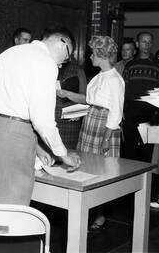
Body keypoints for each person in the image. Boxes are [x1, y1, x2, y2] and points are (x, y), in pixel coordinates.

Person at [0, 28, 81, 205]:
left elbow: (12, 103)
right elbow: (42, 119)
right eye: (66, 57)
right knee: (11, 207)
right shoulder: (46, 62)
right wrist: (63, 154)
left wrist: (38, 148)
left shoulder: (9, 53)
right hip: (12, 137)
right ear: (62, 44)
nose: (61, 64)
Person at [57, 35, 124, 230]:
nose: (90, 57)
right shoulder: (99, 76)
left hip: (104, 127)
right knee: (87, 169)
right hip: (91, 122)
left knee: (101, 171)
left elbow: (116, 112)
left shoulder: (115, 80)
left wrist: (106, 139)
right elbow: (89, 100)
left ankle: (100, 214)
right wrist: (67, 94)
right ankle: (85, 210)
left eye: (93, 53)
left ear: (102, 55)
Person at [122, 31, 159, 161]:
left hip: (151, 113)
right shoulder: (130, 65)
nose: (147, 45)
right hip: (131, 111)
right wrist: (122, 110)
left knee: (147, 153)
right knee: (129, 152)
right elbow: (123, 91)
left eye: (149, 42)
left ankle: (145, 181)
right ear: (137, 44)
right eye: (144, 41)